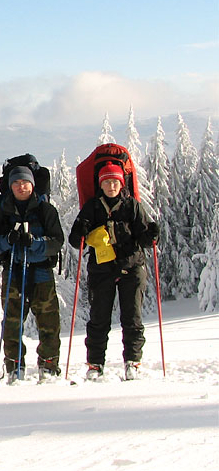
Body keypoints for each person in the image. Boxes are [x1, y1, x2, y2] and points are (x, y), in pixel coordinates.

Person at [69, 162, 158, 381]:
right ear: (101, 184)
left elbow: (144, 239)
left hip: (131, 266)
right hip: (102, 270)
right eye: (107, 181)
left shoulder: (132, 206)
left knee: (132, 318)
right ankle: (96, 364)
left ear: (121, 183)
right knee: (99, 318)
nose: (111, 186)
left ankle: (132, 362)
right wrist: (81, 232)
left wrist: (153, 234)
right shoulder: (92, 207)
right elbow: (75, 241)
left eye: (115, 181)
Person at [0, 165, 64, 383]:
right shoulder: (3, 211)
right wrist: (7, 241)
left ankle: (48, 366)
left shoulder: (46, 211)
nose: (21, 186)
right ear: (10, 186)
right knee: (12, 322)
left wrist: (36, 244)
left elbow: (57, 242)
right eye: (16, 183)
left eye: (25, 183)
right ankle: (14, 367)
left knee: (48, 322)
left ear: (32, 184)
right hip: (14, 271)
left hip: (41, 272)